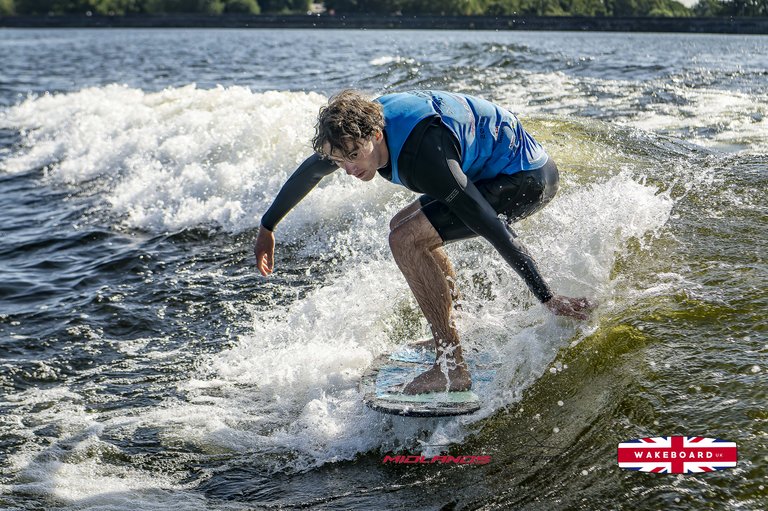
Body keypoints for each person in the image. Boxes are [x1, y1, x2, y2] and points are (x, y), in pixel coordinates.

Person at [254, 90, 595, 395]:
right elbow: (312, 171)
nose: (348, 168)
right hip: (489, 171)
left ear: (376, 134)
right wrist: (268, 226)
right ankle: (457, 329)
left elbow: (493, 227)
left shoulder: (426, 158)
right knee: (401, 227)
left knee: (406, 239)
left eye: (354, 156)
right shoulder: (349, 134)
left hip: (526, 180)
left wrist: (546, 296)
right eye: (340, 160)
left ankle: (451, 367)